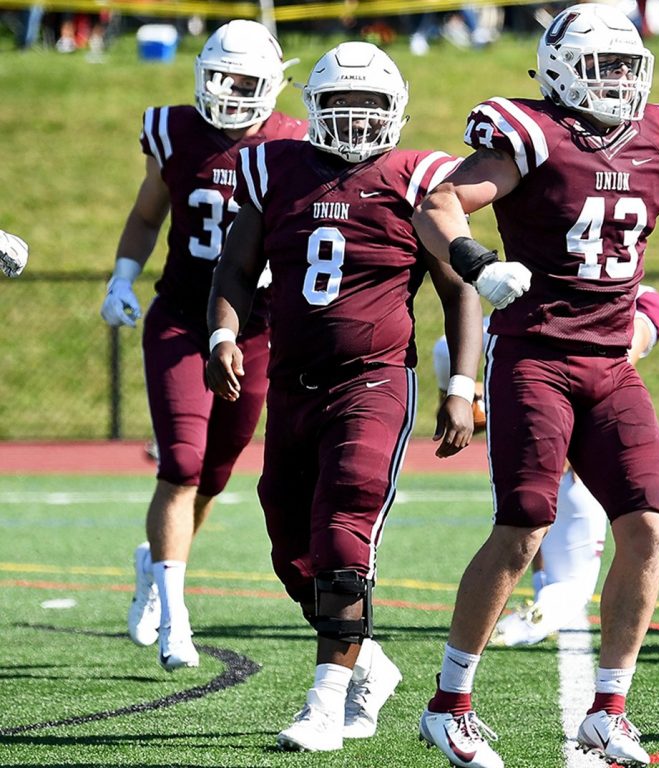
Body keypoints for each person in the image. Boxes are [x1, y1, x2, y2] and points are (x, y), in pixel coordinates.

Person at [410, 5, 659, 767]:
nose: (618, 79)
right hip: (537, 357)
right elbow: (437, 202)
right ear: (558, 68)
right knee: (523, 530)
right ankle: (449, 704)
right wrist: (478, 262)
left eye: (626, 66)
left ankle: (609, 709)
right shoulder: (530, 135)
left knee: (646, 525)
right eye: (602, 66)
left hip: (612, 364)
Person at [205, 41, 484, 753]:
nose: (356, 122)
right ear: (313, 110)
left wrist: (463, 385)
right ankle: (368, 661)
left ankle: (324, 702)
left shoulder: (418, 178)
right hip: (293, 383)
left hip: (374, 378)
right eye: (340, 107)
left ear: (395, 113)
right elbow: (234, 270)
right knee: (288, 545)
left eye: (369, 109)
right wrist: (222, 337)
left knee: (343, 525)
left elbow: (460, 288)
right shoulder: (275, 167)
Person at [99, 19, 307, 671]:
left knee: (213, 475)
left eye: (243, 80)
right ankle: (174, 614)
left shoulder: (293, 142)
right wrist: (122, 276)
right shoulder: (176, 131)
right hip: (182, 318)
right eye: (218, 75)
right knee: (181, 464)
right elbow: (145, 216)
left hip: (257, 329)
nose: (227, 89)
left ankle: (156, 564)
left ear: (272, 84)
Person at [433, 286, 659, 648]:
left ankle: (543, 612)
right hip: (541, 421)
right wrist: (468, 395)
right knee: (526, 518)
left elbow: (618, 361)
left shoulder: (638, 298)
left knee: (573, 585)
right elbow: (448, 348)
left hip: (589, 441)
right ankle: (539, 598)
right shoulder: (529, 297)